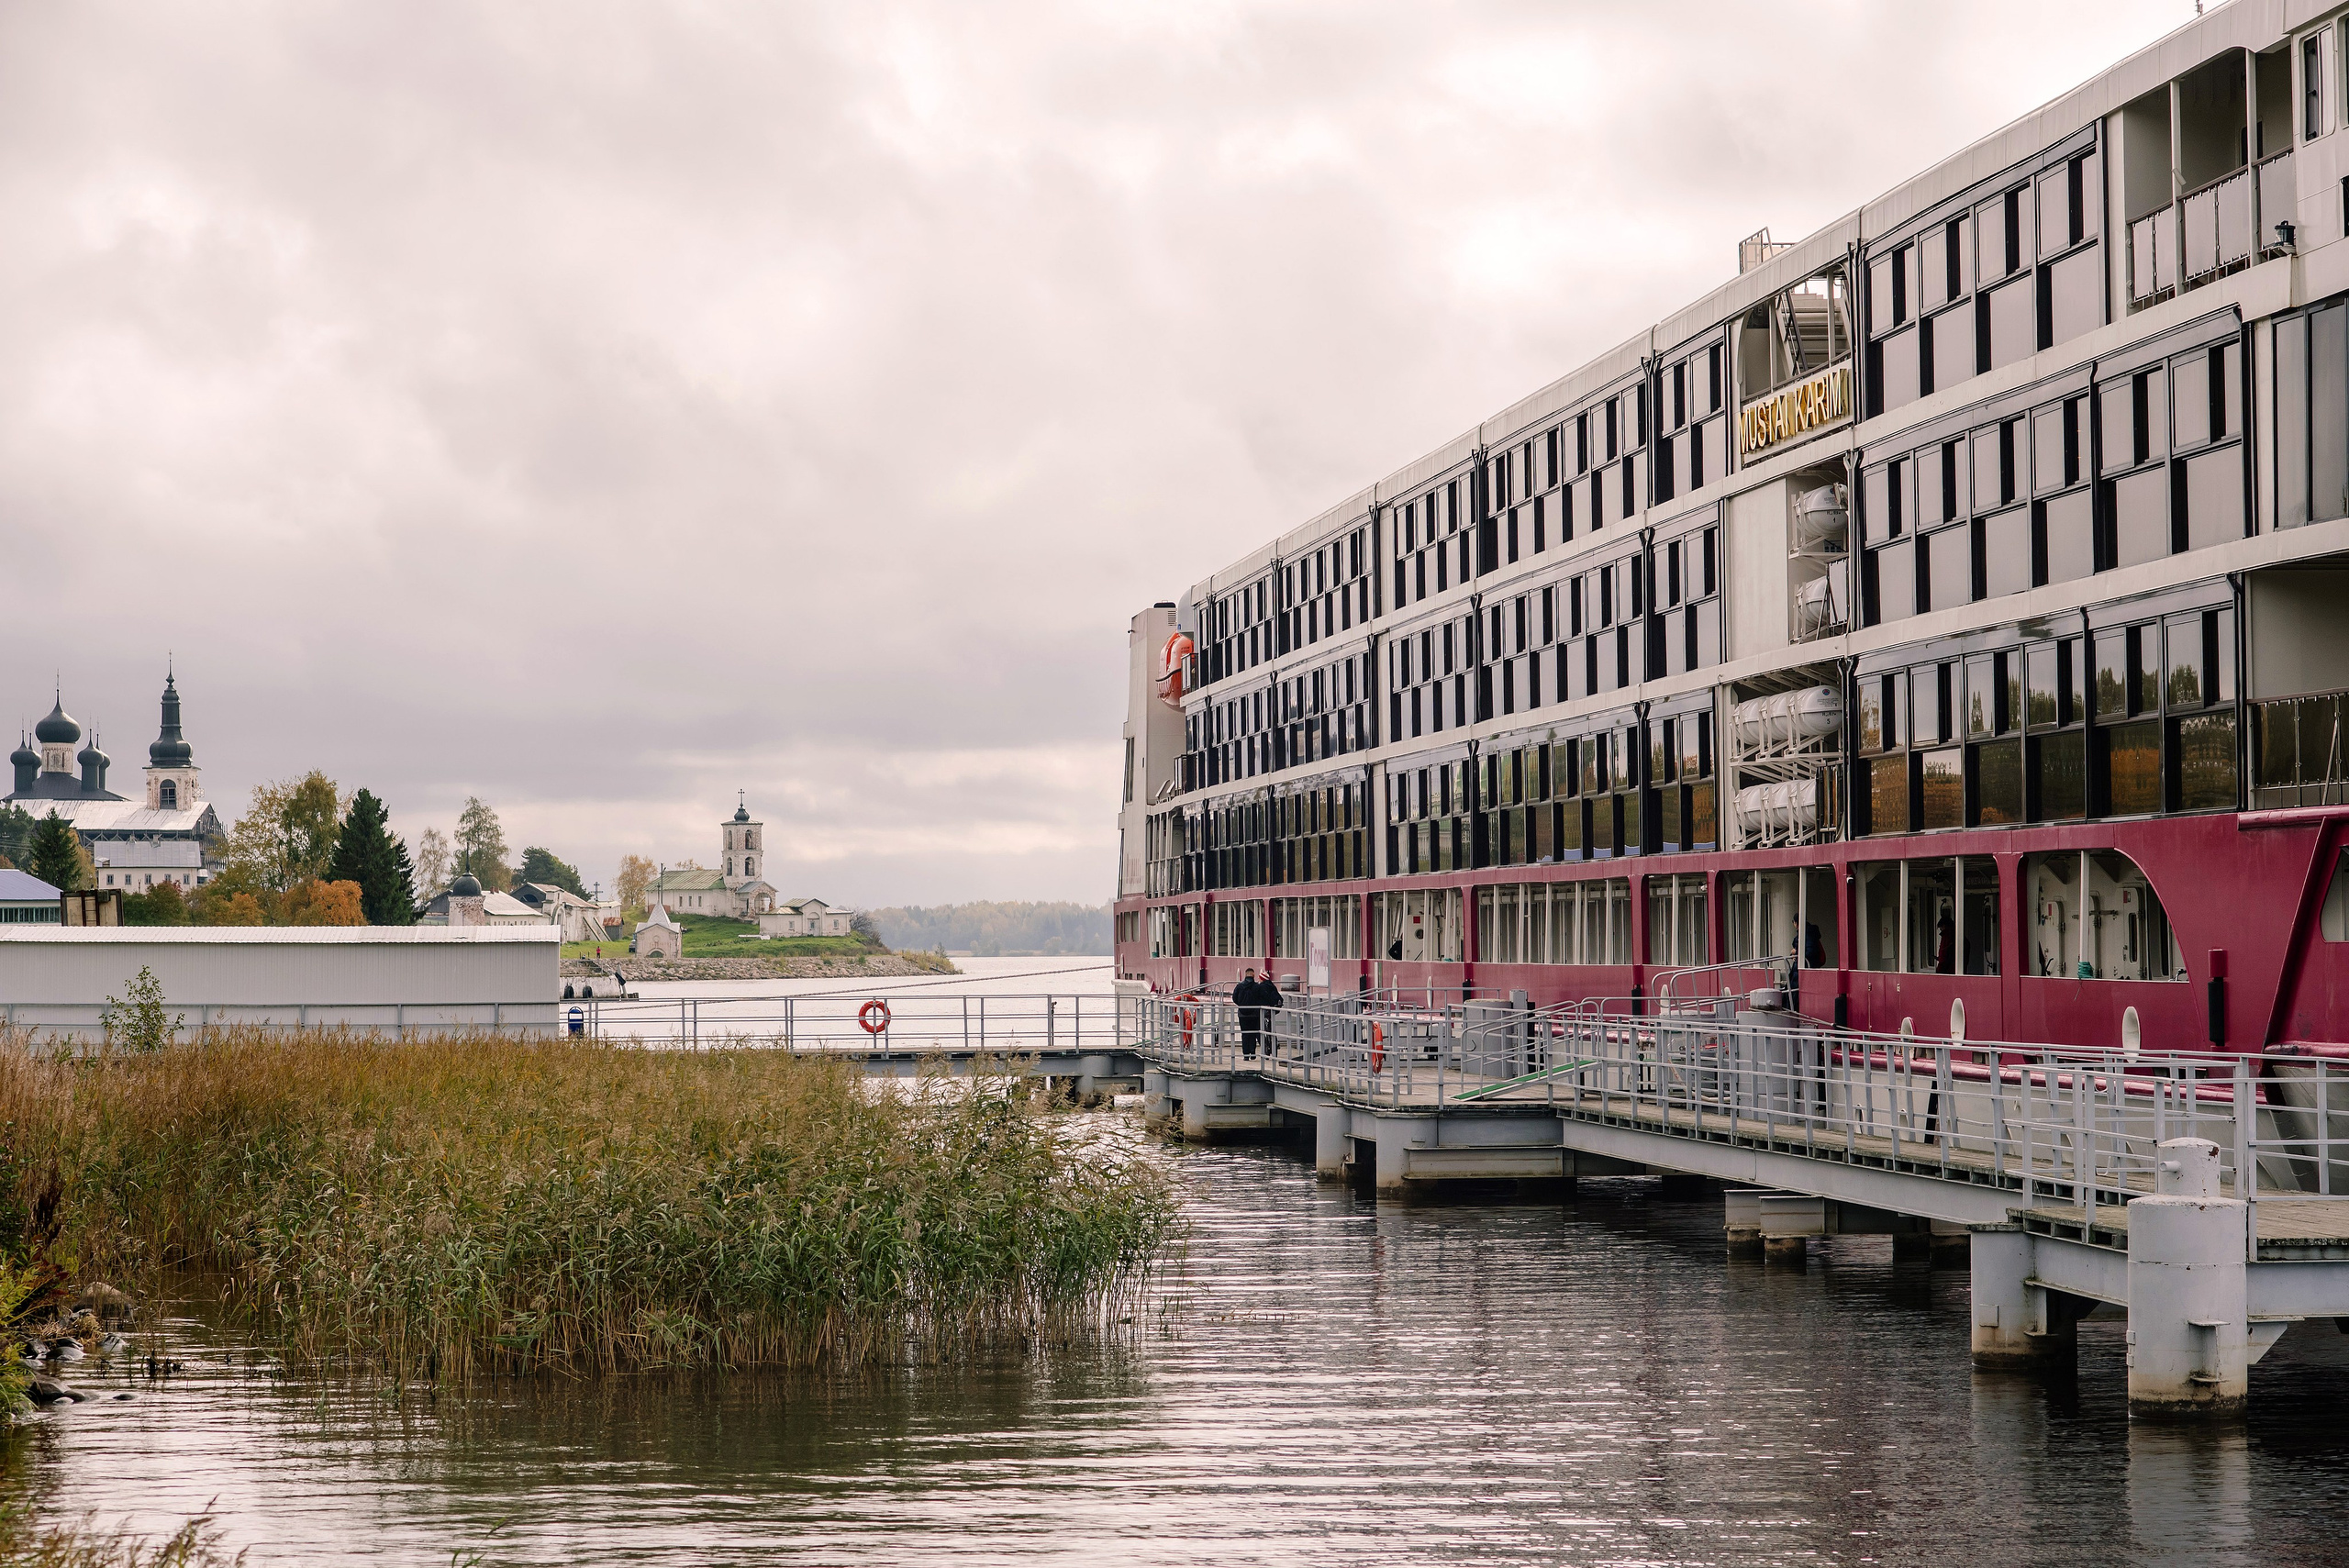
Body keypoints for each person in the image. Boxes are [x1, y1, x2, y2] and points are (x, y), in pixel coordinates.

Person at [1232, 966, 1282, 1060]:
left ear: (1245, 975)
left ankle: (1246, 1055)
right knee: (1254, 1033)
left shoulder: (1239, 986)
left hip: (1242, 1014)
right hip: (1255, 1014)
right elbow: (1263, 998)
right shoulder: (1257, 987)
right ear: (1253, 975)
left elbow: (1234, 998)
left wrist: (1241, 1005)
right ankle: (1253, 1052)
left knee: (1245, 1033)